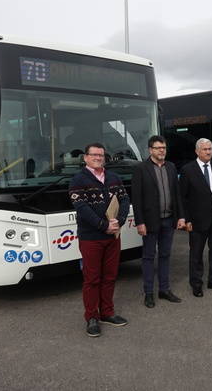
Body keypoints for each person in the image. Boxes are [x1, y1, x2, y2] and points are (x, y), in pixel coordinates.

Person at [68, 143, 130, 337]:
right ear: (85, 158)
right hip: (91, 238)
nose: (98, 158)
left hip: (113, 236)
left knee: (110, 276)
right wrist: (104, 226)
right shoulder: (78, 180)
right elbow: (82, 208)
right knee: (92, 279)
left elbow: (125, 200)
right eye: (93, 155)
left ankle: (107, 312)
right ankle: (91, 317)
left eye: (101, 155)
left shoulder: (114, 178)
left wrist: (118, 222)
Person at [132, 135, 186, 308]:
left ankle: (164, 290)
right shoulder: (141, 169)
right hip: (149, 222)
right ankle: (149, 293)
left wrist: (181, 216)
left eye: (163, 147)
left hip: (168, 220)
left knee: (165, 256)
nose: (162, 150)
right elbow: (137, 198)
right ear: (150, 150)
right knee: (148, 257)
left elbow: (177, 194)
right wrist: (140, 222)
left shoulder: (171, 167)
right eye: (158, 148)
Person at [179, 138, 212, 297]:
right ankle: (196, 284)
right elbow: (183, 198)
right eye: (205, 149)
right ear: (197, 151)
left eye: (210, 149)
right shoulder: (188, 170)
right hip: (196, 220)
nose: (208, 152)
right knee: (196, 254)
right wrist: (186, 219)